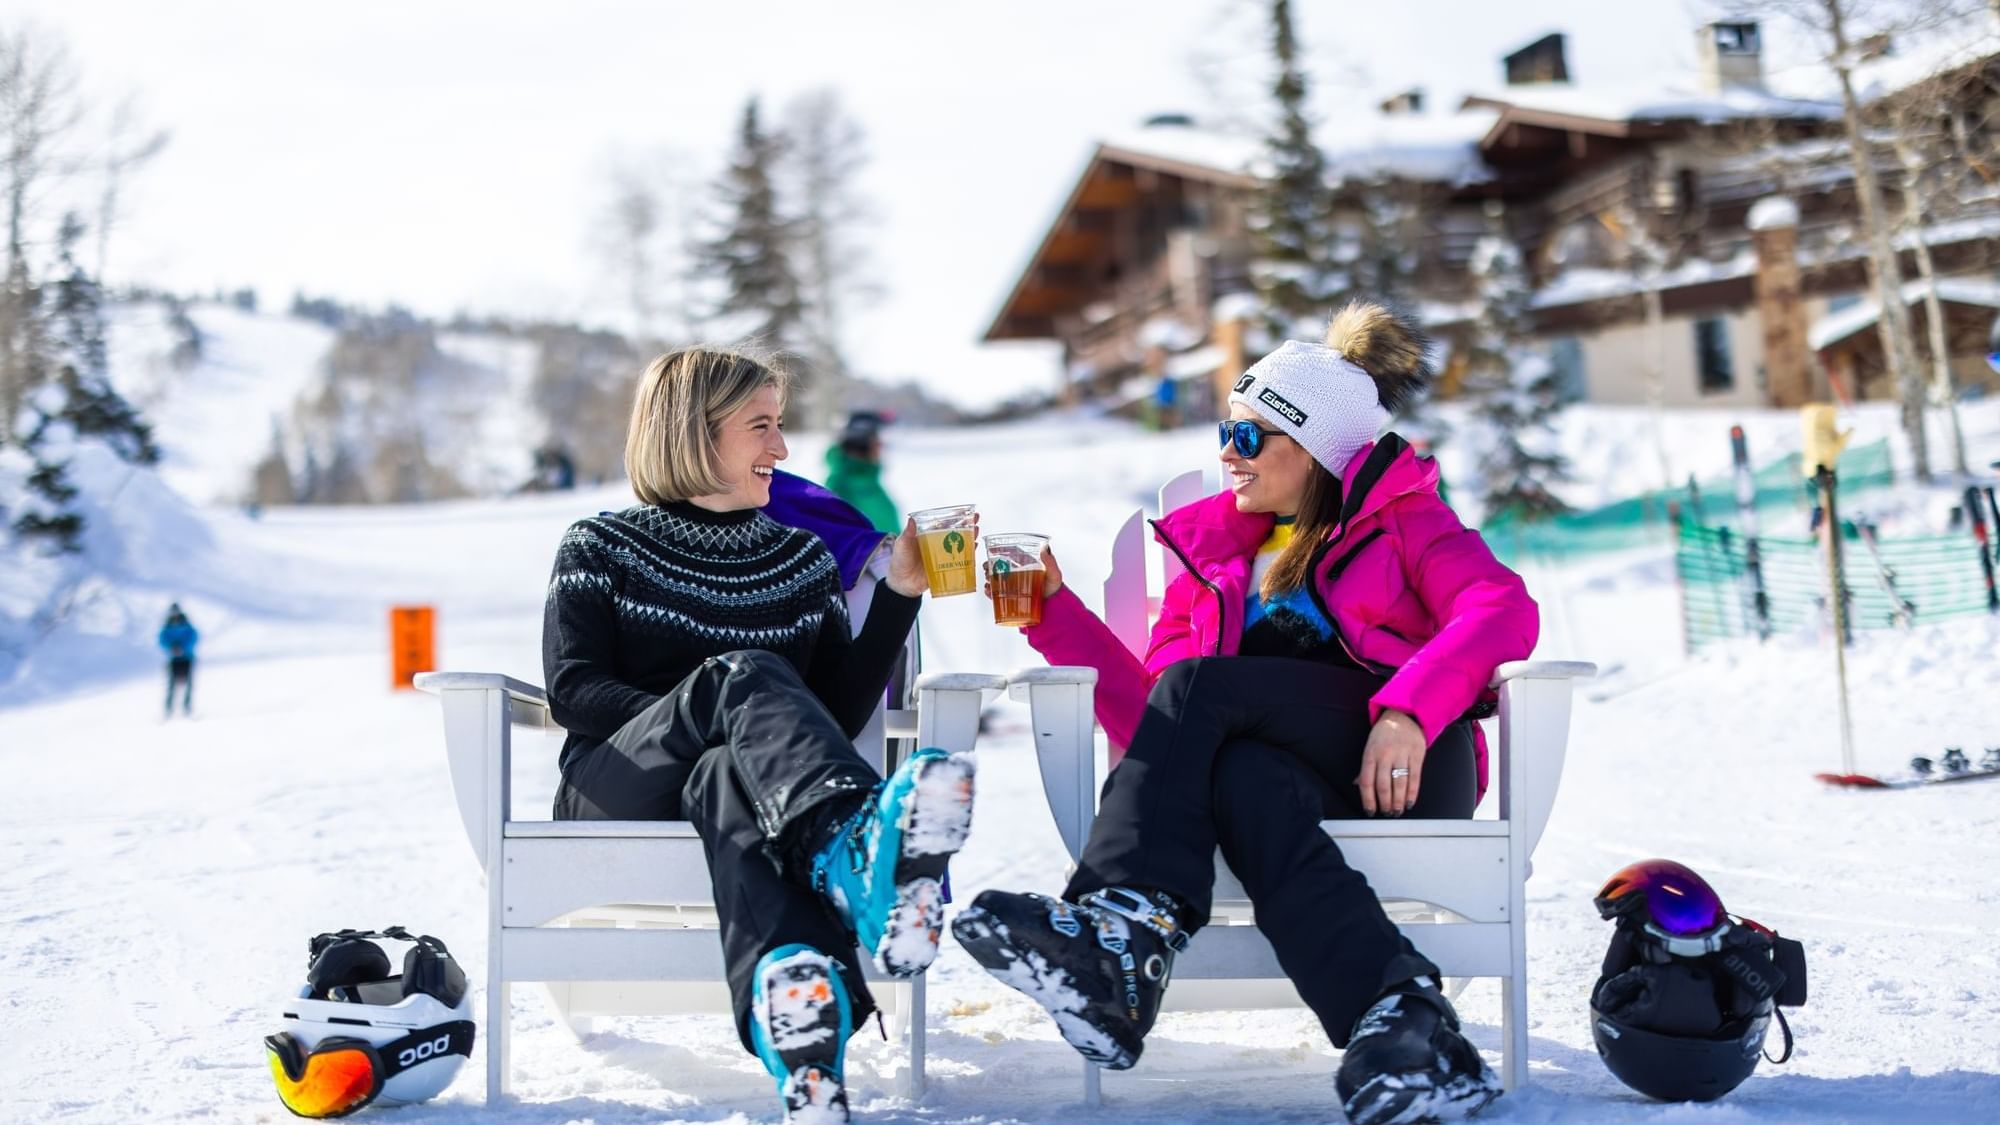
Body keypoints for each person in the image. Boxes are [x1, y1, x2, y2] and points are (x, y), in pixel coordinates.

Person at [951, 302, 1539, 1125]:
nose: (1230, 453)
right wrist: (1053, 612)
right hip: (1284, 770)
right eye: (1225, 432)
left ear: (1319, 450)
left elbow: (1501, 609)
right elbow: (1155, 719)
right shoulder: (1214, 559)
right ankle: (1402, 1020)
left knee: (1202, 689)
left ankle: (1125, 933)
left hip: (1402, 760)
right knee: (1241, 770)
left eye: (1252, 436)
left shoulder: (1406, 523)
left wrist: (1407, 708)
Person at [543, 348, 974, 1124]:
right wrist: (709, 701)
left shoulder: (802, 560)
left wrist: (902, 594)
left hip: (735, 795)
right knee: (740, 677)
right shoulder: (599, 545)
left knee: (725, 772)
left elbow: (834, 716)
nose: (780, 449)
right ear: (692, 433)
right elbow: (574, 690)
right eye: (761, 427)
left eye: (779, 427)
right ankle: (852, 847)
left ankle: (799, 1029)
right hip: (615, 786)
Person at [822, 410, 900, 534]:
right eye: (876, 439)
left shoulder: (862, 481)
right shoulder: (853, 487)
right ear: (863, 444)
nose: (881, 445)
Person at [158, 603, 198, 718]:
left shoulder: (187, 624)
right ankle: (168, 709)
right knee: (171, 684)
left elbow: (193, 638)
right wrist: (171, 648)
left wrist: (183, 648)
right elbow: (162, 640)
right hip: (173, 659)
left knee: (189, 684)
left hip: (187, 658)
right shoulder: (166, 626)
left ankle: (187, 707)